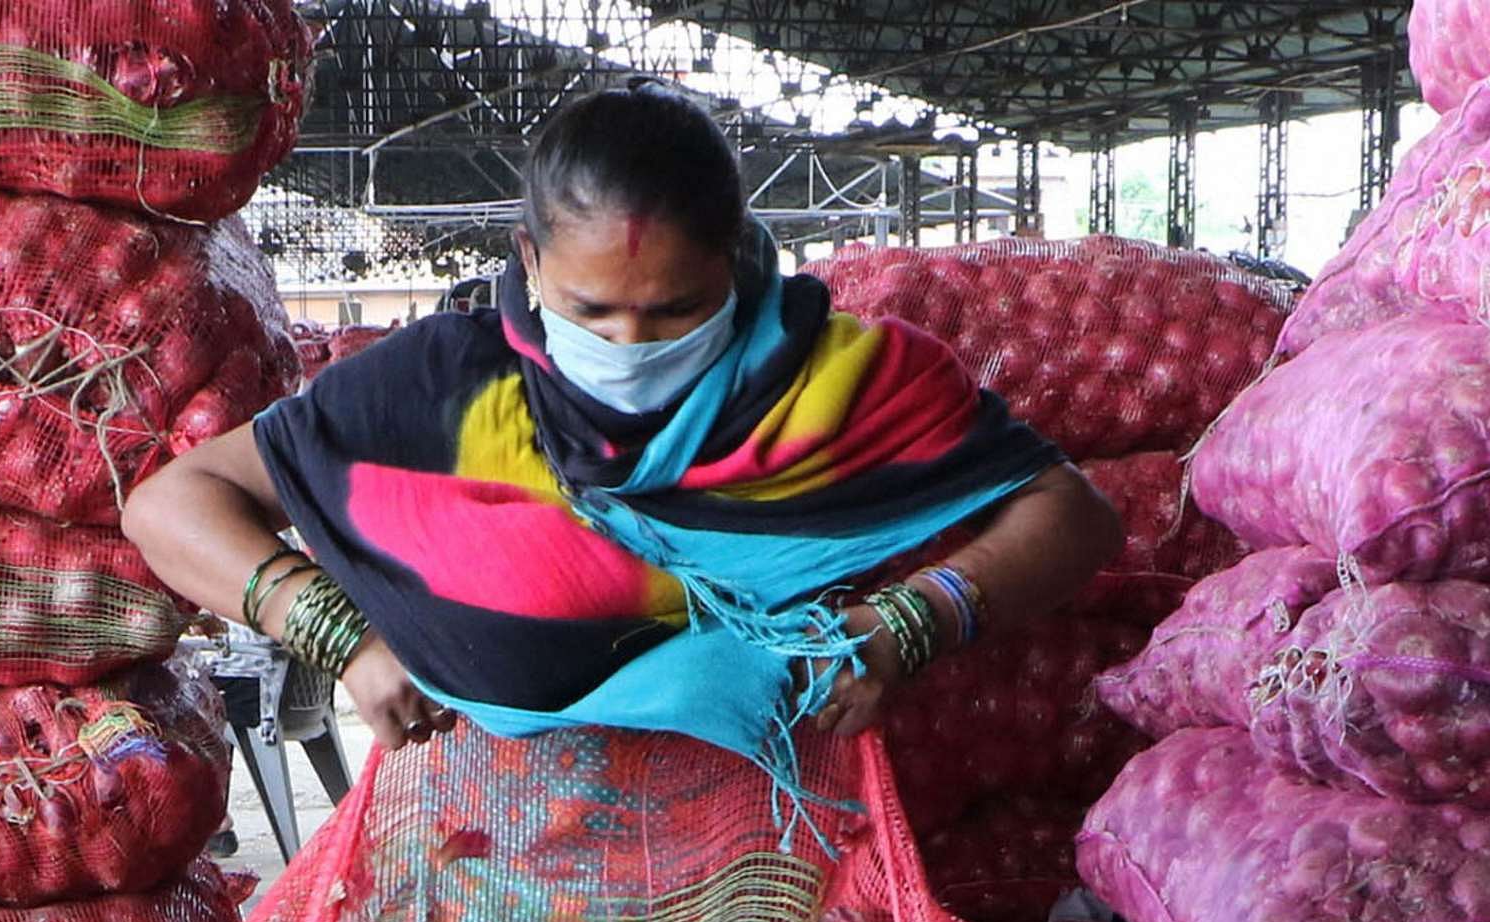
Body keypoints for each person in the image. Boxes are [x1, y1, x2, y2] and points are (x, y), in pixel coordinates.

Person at [125, 86, 1123, 769]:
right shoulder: (439, 387)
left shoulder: (843, 380)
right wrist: (341, 640)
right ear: (526, 256)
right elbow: (172, 505)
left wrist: (917, 619)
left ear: (734, 256)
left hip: (772, 839)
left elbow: (1067, 512)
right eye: (592, 310)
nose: (631, 342)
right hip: (498, 849)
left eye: (676, 309)